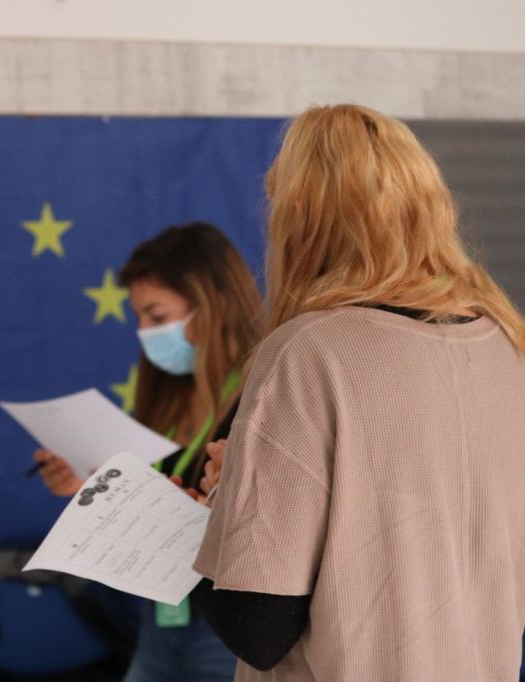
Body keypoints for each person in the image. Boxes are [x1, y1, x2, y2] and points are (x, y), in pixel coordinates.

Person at [192, 104, 525, 681]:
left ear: (298, 215)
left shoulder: (308, 352)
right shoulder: (507, 344)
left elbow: (257, 628)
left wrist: (228, 497)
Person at [33, 222, 263, 681]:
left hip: (228, 622)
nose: (144, 332)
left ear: (213, 304)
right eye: (138, 317)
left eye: (157, 317)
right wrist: (87, 484)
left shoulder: (263, 394)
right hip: (159, 616)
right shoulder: (166, 398)